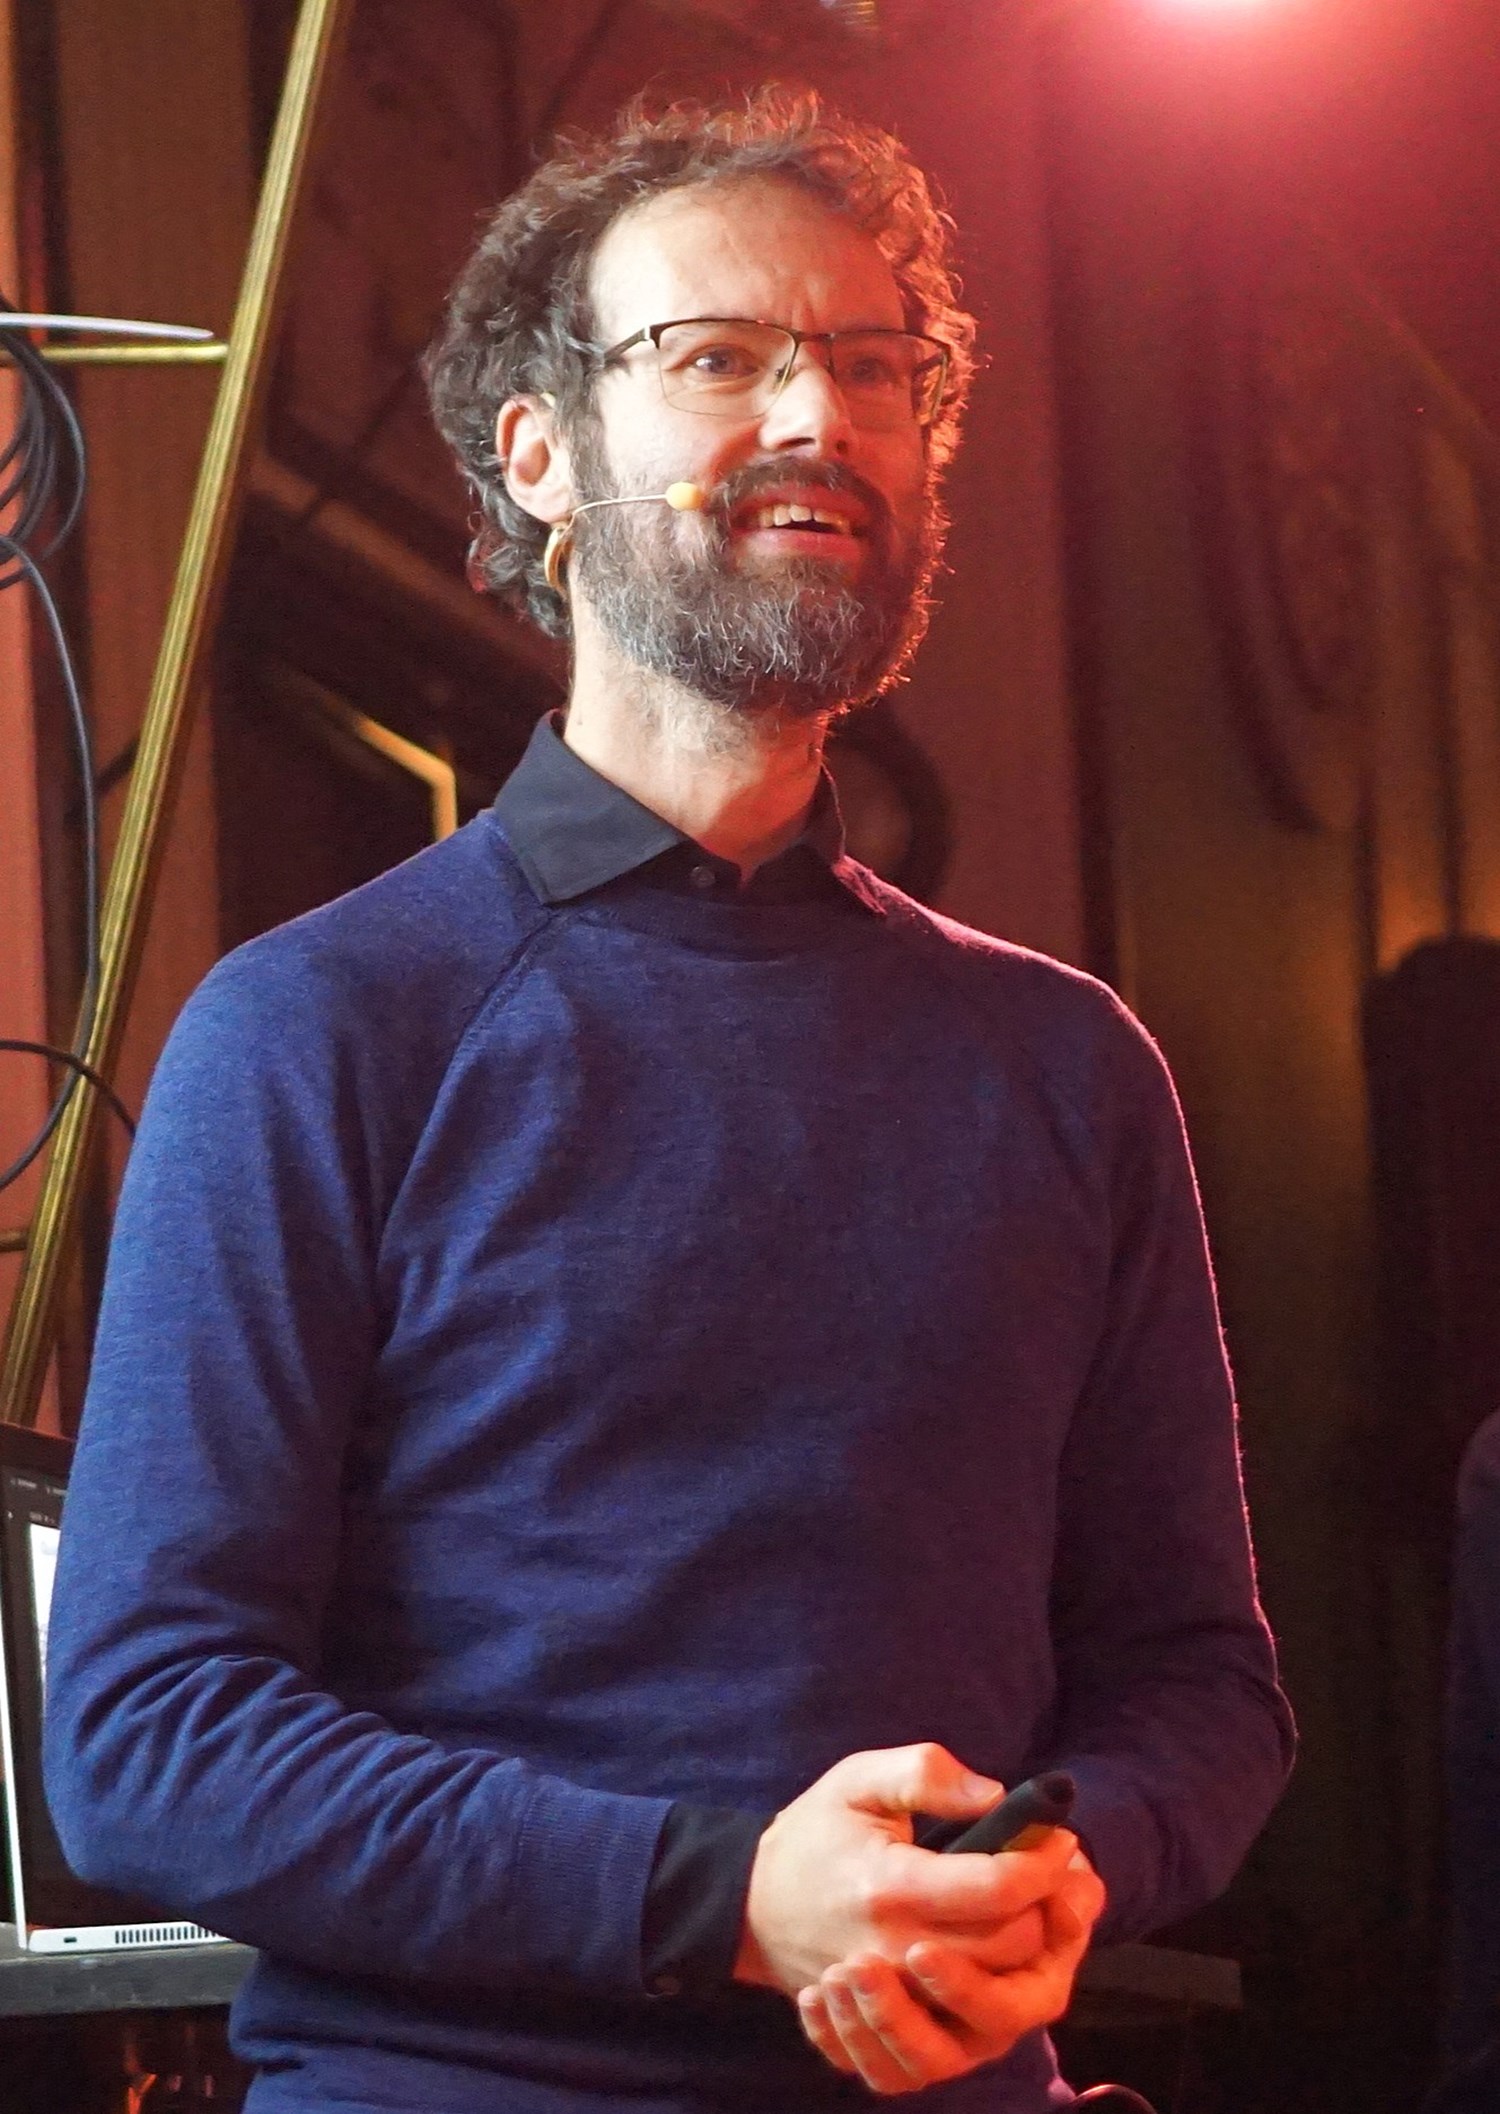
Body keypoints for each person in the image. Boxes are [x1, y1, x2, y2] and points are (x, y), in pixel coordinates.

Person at [43, 89, 1294, 2114]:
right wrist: (727, 1898)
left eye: (873, 366)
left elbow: (1202, 1686)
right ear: (540, 452)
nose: (816, 416)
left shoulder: (1071, 1066)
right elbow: (151, 1738)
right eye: (717, 357)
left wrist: (1074, 1869)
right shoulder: (316, 1028)